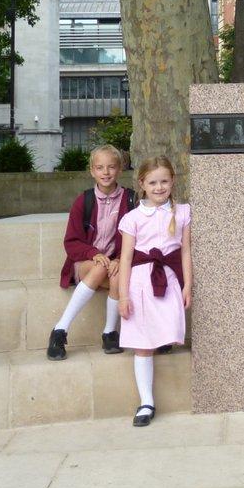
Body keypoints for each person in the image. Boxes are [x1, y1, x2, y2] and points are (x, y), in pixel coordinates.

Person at [118, 155, 192, 426]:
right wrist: (123, 295)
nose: (159, 187)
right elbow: (126, 258)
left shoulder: (182, 212)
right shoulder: (133, 218)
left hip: (169, 278)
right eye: (153, 182)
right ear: (142, 184)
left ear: (172, 181)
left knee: (167, 328)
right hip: (140, 282)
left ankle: (162, 342)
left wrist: (188, 285)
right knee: (142, 344)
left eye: (164, 181)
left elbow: (185, 251)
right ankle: (146, 402)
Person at [48, 145, 136, 360]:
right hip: (87, 262)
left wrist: (119, 259)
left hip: (118, 262)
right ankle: (60, 329)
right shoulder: (84, 201)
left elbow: (138, 238)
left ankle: (109, 333)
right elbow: (71, 242)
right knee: (99, 268)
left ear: (120, 169)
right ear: (92, 171)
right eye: (100, 167)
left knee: (116, 275)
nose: (106, 172)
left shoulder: (131, 200)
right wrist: (93, 252)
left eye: (111, 167)